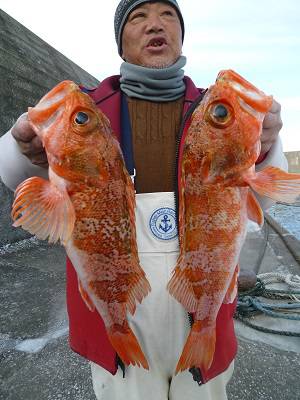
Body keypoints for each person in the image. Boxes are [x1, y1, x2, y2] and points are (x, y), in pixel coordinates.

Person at [0, 1, 287, 399]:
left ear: (181, 33)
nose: (156, 24)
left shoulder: (213, 109)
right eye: (139, 16)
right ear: (121, 41)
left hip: (202, 307)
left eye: (168, 15)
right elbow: (17, 179)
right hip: (117, 317)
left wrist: (268, 145)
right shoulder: (85, 110)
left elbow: (256, 205)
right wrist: (20, 147)